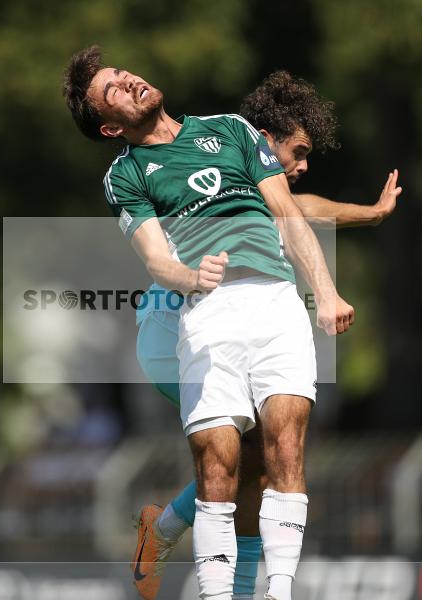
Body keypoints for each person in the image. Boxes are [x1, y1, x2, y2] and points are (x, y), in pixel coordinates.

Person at [64, 47, 355, 600]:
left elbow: (292, 211)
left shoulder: (230, 129)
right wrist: (190, 278)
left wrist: (326, 289)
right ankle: (189, 555)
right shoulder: (127, 174)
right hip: (186, 319)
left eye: (124, 74)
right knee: (230, 461)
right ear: (109, 127)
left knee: (272, 454)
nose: (130, 82)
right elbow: (156, 260)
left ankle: (258, 585)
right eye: (114, 90)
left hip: (269, 304)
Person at [129, 71, 402, 600]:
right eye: (297, 152)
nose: (303, 165)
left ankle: (205, 562)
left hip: (220, 327)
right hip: (172, 332)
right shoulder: (226, 165)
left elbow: (304, 209)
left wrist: (371, 214)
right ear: (264, 140)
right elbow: (299, 210)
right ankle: (167, 535)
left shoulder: (260, 189)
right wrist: (367, 217)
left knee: (262, 459)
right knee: (243, 454)